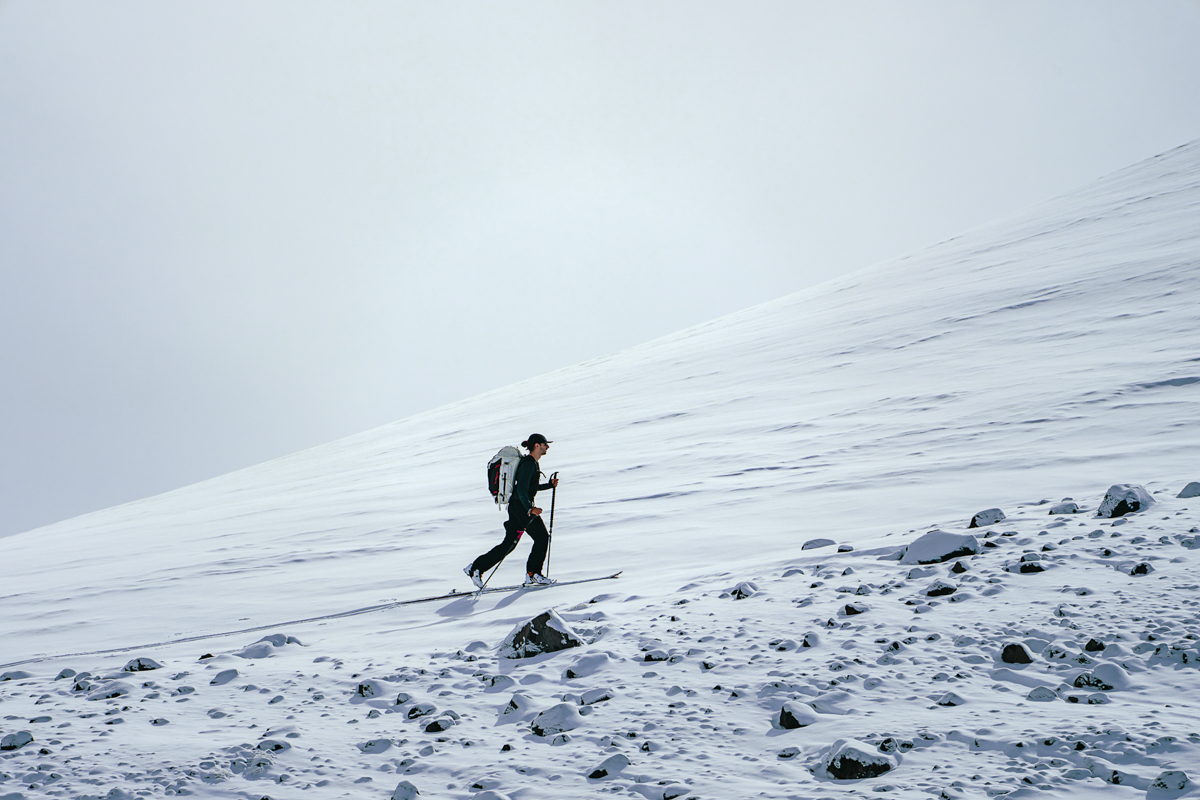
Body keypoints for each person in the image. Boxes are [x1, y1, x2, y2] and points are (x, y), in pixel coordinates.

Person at [465, 434, 560, 587]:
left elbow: (528, 487)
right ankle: (533, 574)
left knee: (509, 544)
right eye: (544, 444)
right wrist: (530, 509)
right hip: (521, 509)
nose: (547, 447)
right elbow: (521, 489)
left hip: (517, 508)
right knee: (541, 537)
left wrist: (549, 485)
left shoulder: (531, 463)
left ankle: (476, 568)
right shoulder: (529, 464)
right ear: (536, 445)